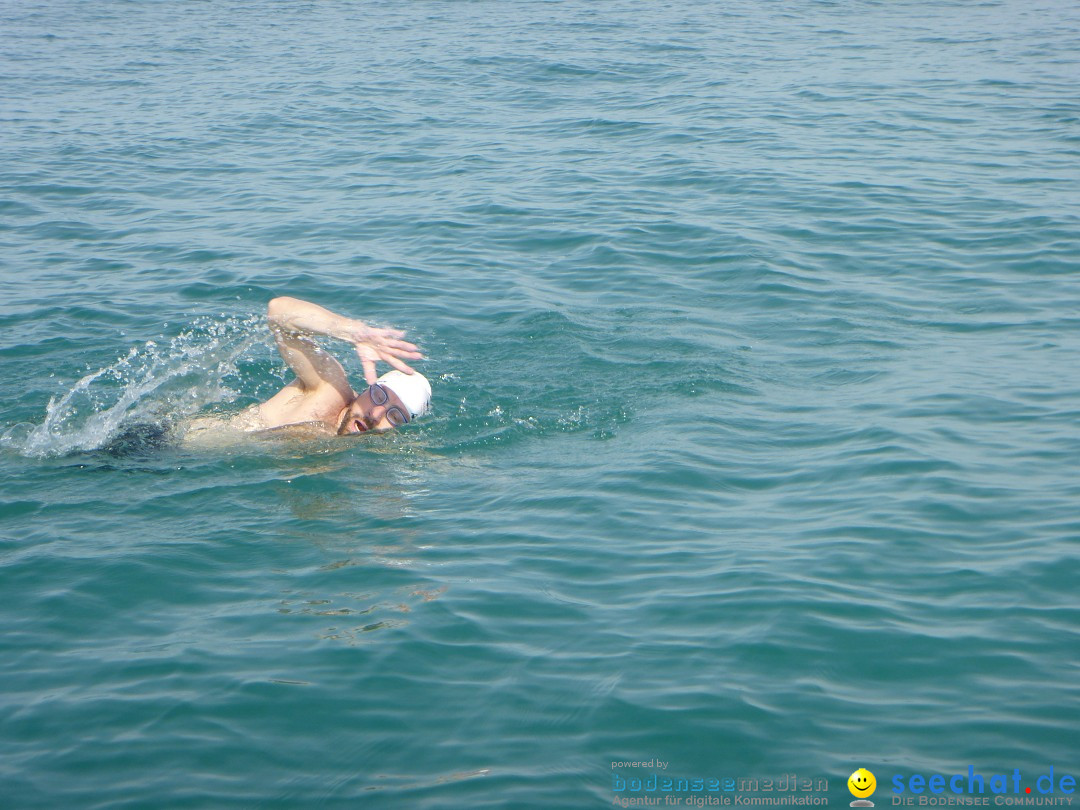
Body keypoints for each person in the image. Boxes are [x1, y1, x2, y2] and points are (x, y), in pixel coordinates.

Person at [183, 296, 430, 443]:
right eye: (379, 396)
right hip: (164, 444)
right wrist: (353, 331)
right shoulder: (329, 388)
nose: (376, 415)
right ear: (367, 390)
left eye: (394, 416)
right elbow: (278, 312)